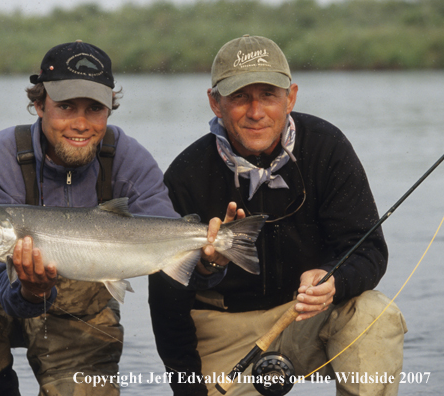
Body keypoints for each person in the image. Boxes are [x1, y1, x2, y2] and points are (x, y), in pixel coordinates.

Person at [0, 40, 216, 396]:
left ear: (109, 110)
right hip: (3, 296)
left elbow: (174, 247)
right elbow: (2, 279)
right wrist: (31, 289)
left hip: (82, 311)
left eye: (94, 108)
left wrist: (210, 259)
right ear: (39, 105)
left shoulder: (130, 159)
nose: (81, 123)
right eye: (66, 106)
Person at [149, 35, 408, 396]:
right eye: (240, 97)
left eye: (268, 95)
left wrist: (336, 281)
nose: (256, 112)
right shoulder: (185, 174)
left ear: (291, 97)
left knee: (373, 313)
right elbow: (166, 299)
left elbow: (369, 251)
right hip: (221, 329)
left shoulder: (327, 146)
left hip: (306, 317)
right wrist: (186, 386)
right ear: (215, 103)